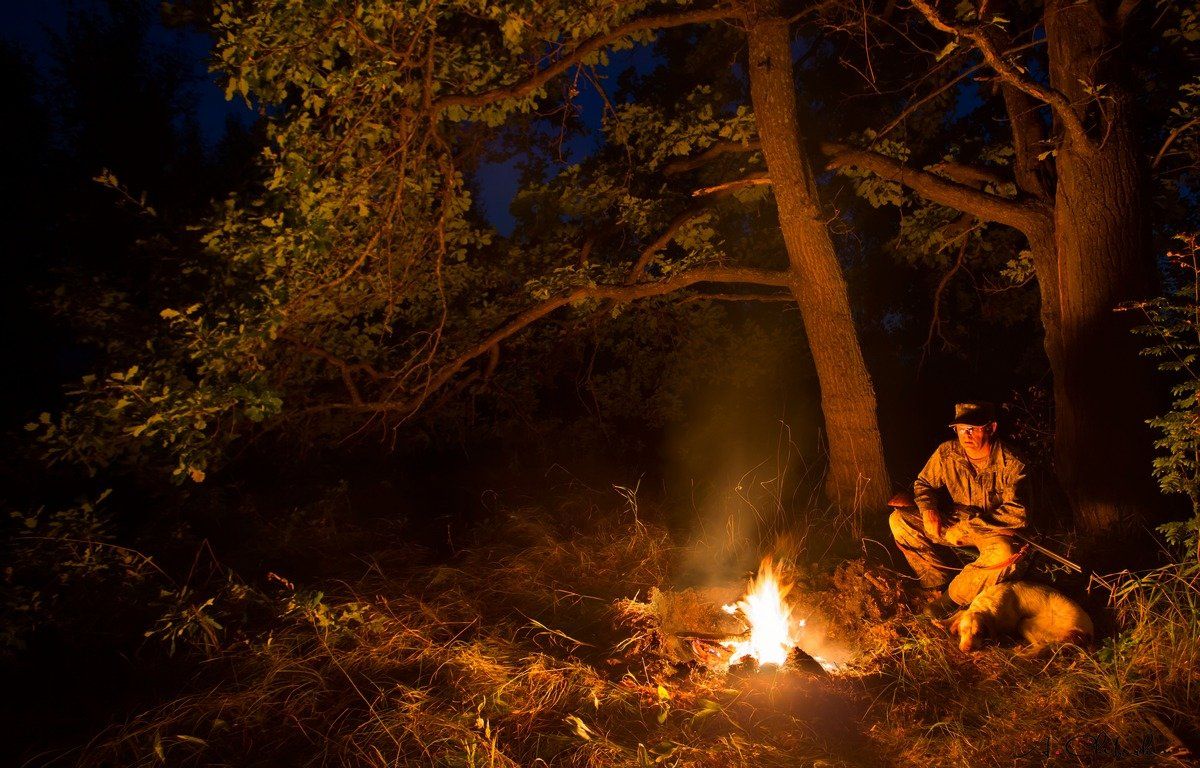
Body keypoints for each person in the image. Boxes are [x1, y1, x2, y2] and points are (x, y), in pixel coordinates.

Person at [889, 401, 1030, 617]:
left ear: (991, 428)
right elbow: (924, 483)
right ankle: (934, 585)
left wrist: (967, 530)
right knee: (899, 520)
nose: (966, 435)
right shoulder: (947, 452)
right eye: (961, 429)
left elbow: (1018, 512)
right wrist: (929, 510)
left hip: (993, 530)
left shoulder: (1013, 463)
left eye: (973, 428)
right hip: (956, 521)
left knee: (1005, 554)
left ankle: (950, 600)